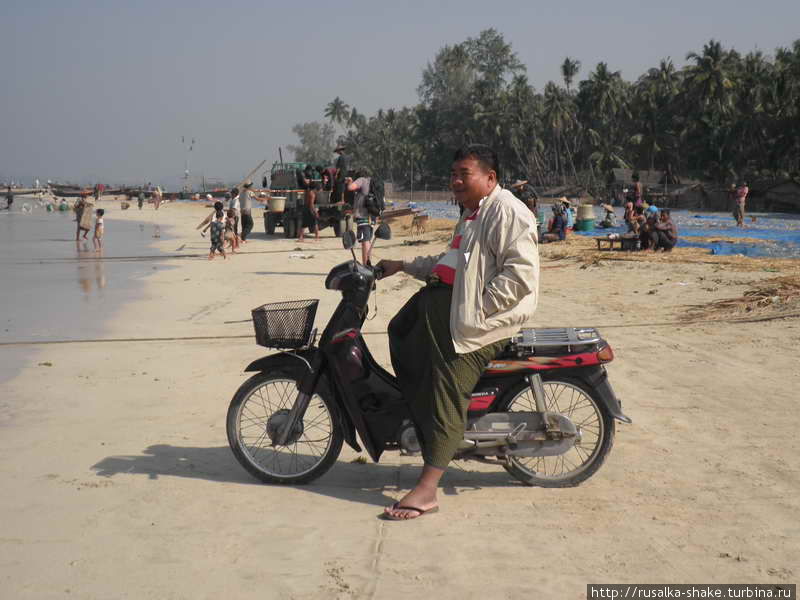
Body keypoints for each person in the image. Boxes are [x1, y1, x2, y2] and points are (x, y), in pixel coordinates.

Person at [375, 144, 539, 520]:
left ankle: (427, 489)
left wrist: (474, 308)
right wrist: (401, 265)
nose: (455, 181)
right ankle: (421, 425)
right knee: (402, 333)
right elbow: (450, 261)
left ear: (490, 178)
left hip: (480, 325)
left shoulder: (507, 212)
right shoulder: (472, 214)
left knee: (447, 384)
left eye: (463, 174)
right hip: (455, 313)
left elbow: (520, 277)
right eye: (453, 175)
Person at [344, 170, 373, 263]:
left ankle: (366, 265)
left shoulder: (362, 180)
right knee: (367, 240)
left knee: (365, 241)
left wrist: (350, 181)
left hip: (363, 215)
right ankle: (368, 264)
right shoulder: (370, 181)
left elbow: (350, 188)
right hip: (371, 214)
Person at [298, 169, 320, 242]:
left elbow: (310, 203)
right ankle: (316, 237)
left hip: (307, 209)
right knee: (313, 223)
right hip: (308, 209)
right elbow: (311, 203)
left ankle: (302, 237)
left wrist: (314, 211)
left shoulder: (309, 192)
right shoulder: (310, 192)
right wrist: (314, 211)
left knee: (306, 224)